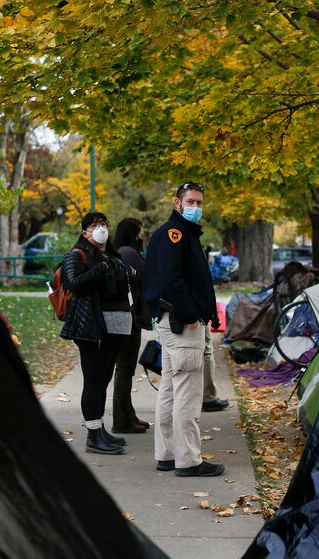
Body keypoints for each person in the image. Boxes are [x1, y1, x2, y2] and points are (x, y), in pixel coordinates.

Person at [143, 181, 225, 477]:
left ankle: (167, 454)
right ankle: (188, 460)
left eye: (200, 202)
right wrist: (191, 313)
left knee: (170, 389)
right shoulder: (175, 235)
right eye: (190, 201)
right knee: (187, 393)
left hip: (171, 322)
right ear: (178, 203)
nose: (195, 207)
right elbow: (173, 279)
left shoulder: (176, 234)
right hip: (181, 323)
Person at [60, 212, 134, 455]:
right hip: (91, 327)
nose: (100, 228)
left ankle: (99, 429)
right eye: (94, 225)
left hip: (116, 327)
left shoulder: (111, 255)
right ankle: (93, 436)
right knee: (93, 380)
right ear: (85, 232)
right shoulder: (76, 255)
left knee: (103, 378)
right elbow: (74, 283)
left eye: (104, 224)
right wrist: (101, 268)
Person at [111, 217, 152, 434]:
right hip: (128, 319)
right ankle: (121, 420)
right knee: (125, 369)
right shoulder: (130, 254)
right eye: (141, 231)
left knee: (124, 369)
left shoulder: (120, 252)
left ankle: (128, 414)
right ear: (133, 233)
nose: (143, 235)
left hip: (124, 317)